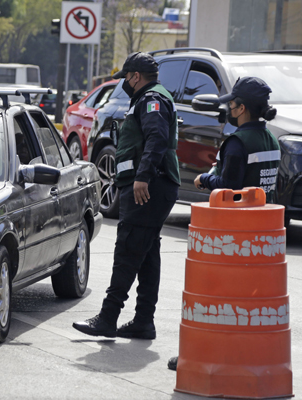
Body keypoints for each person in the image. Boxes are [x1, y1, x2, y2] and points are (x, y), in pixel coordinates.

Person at [167, 77, 280, 372]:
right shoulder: (271, 140)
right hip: (263, 235)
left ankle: (203, 355)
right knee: (250, 303)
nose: (228, 109)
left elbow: (229, 186)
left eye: (231, 104)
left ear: (241, 108)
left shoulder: (237, 143)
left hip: (233, 234)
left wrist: (205, 179)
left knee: (217, 299)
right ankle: (243, 355)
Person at [72, 52, 180, 340]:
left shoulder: (152, 99)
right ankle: (143, 321)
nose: (124, 83)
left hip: (149, 186)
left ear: (135, 77)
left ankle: (107, 318)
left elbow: (157, 137)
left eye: (126, 78)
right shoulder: (149, 97)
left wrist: (143, 176)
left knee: (128, 250)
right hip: (153, 184)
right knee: (147, 254)